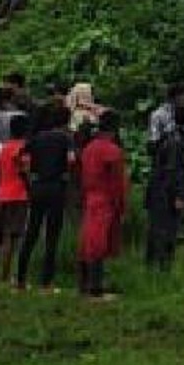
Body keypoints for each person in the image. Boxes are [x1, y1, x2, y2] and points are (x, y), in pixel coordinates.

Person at [16, 105, 74, 291]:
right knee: (52, 235)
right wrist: (67, 176)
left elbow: (21, 158)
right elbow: (71, 160)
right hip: (56, 186)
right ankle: (46, 283)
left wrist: (28, 179)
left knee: (31, 231)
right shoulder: (66, 139)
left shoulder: (37, 138)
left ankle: (20, 280)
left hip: (38, 186)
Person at [76, 112, 127, 299]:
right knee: (99, 242)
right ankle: (95, 287)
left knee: (87, 240)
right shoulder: (112, 151)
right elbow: (117, 182)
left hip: (89, 196)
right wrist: (120, 204)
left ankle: (84, 284)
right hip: (105, 199)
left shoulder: (89, 148)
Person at [144, 100, 184, 271]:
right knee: (167, 229)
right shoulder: (177, 141)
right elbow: (175, 170)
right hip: (167, 190)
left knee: (156, 226)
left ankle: (152, 261)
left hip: (158, 187)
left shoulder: (166, 137)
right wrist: (179, 194)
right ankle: (163, 264)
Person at [0, 113, 29, 282]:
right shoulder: (24, 148)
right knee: (12, 237)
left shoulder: (3, 148)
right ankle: (4, 276)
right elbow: (24, 169)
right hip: (19, 195)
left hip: (3, 195)